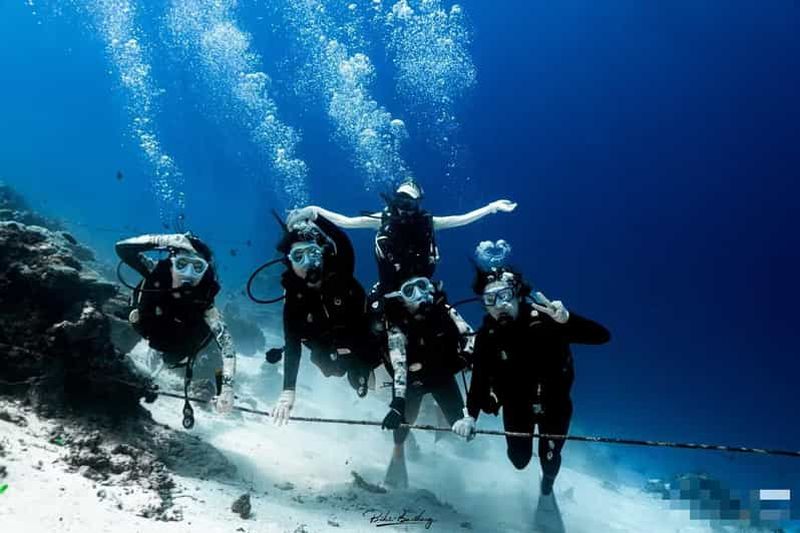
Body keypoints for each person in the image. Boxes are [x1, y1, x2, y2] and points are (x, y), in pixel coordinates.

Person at [452, 255, 610, 500]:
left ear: (517, 294)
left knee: (550, 458)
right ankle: (532, 466)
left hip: (555, 405)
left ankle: (547, 486)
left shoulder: (547, 320)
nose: (498, 304)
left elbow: (601, 336)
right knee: (518, 460)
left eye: (504, 295)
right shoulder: (487, 336)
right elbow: (480, 380)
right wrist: (469, 417)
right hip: (516, 407)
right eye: (490, 299)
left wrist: (568, 321)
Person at [285, 179, 517, 294]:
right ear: (393, 200)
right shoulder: (380, 220)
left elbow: (461, 218)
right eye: (401, 202)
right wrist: (314, 211)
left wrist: (490, 207)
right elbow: (345, 221)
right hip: (388, 288)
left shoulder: (429, 223)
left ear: (418, 205)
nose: (405, 209)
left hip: (424, 289)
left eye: (411, 204)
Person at [115, 232, 236, 428]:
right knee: (131, 322)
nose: (188, 274)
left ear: (206, 271)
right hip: (149, 326)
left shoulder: (206, 305)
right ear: (171, 263)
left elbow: (228, 347)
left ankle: (164, 359)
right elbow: (122, 248)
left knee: (172, 359)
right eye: (181, 264)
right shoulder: (155, 270)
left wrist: (227, 388)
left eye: (197, 268)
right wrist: (165, 241)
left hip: (180, 342)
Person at [270, 216, 382, 426]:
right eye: (298, 256)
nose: (308, 262)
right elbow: (292, 344)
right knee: (331, 369)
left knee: (367, 361)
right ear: (289, 262)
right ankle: (352, 372)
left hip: (360, 336)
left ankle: (363, 374)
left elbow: (343, 242)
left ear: (322, 254)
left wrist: (317, 216)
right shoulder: (294, 299)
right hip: (327, 347)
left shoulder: (341, 271)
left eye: (313, 253)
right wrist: (288, 391)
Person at [376, 275, 475, 488]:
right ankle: (399, 452)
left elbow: (471, 336)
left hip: (442, 377)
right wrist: (396, 403)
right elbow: (399, 366)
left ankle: (444, 438)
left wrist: (466, 357)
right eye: (410, 290)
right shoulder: (396, 327)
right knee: (403, 423)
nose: (420, 293)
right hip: (414, 381)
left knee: (461, 426)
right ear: (401, 299)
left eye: (422, 285)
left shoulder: (446, 310)